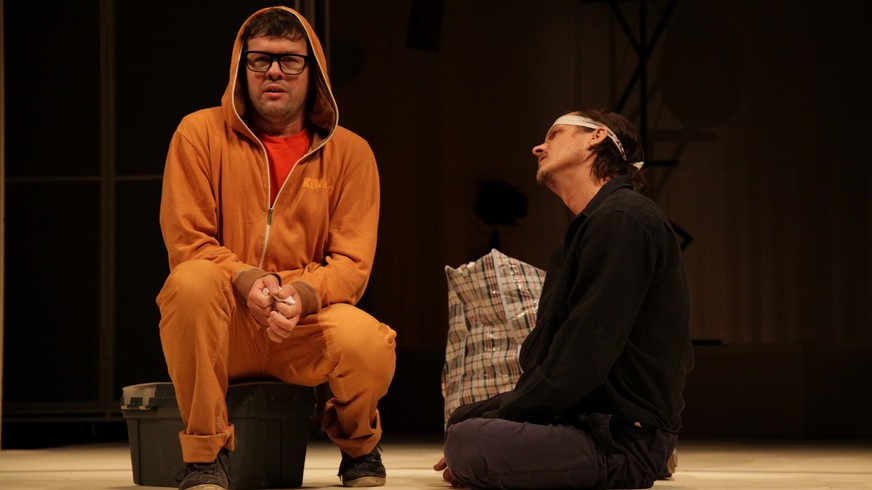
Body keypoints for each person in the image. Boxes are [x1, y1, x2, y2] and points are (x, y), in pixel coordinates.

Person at [156, 6, 397, 490]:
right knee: (190, 282)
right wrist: (245, 279)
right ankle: (204, 457)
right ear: (240, 67)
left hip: (300, 325)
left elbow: (351, 264)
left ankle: (359, 449)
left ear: (313, 72)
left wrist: (302, 294)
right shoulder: (198, 134)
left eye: (290, 60)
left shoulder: (351, 153)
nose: (273, 71)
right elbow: (188, 241)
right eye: (260, 59)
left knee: (368, 340)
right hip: (225, 320)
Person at [434, 108, 693, 489]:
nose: (538, 147)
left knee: (469, 442)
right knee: (462, 420)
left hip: (620, 433)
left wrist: (500, 428)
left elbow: (586, 351)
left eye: (555, 134)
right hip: (588, 413)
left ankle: (641, 460)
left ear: (596, 137)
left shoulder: (624, 219)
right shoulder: (589, 227)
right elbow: (554, 354)